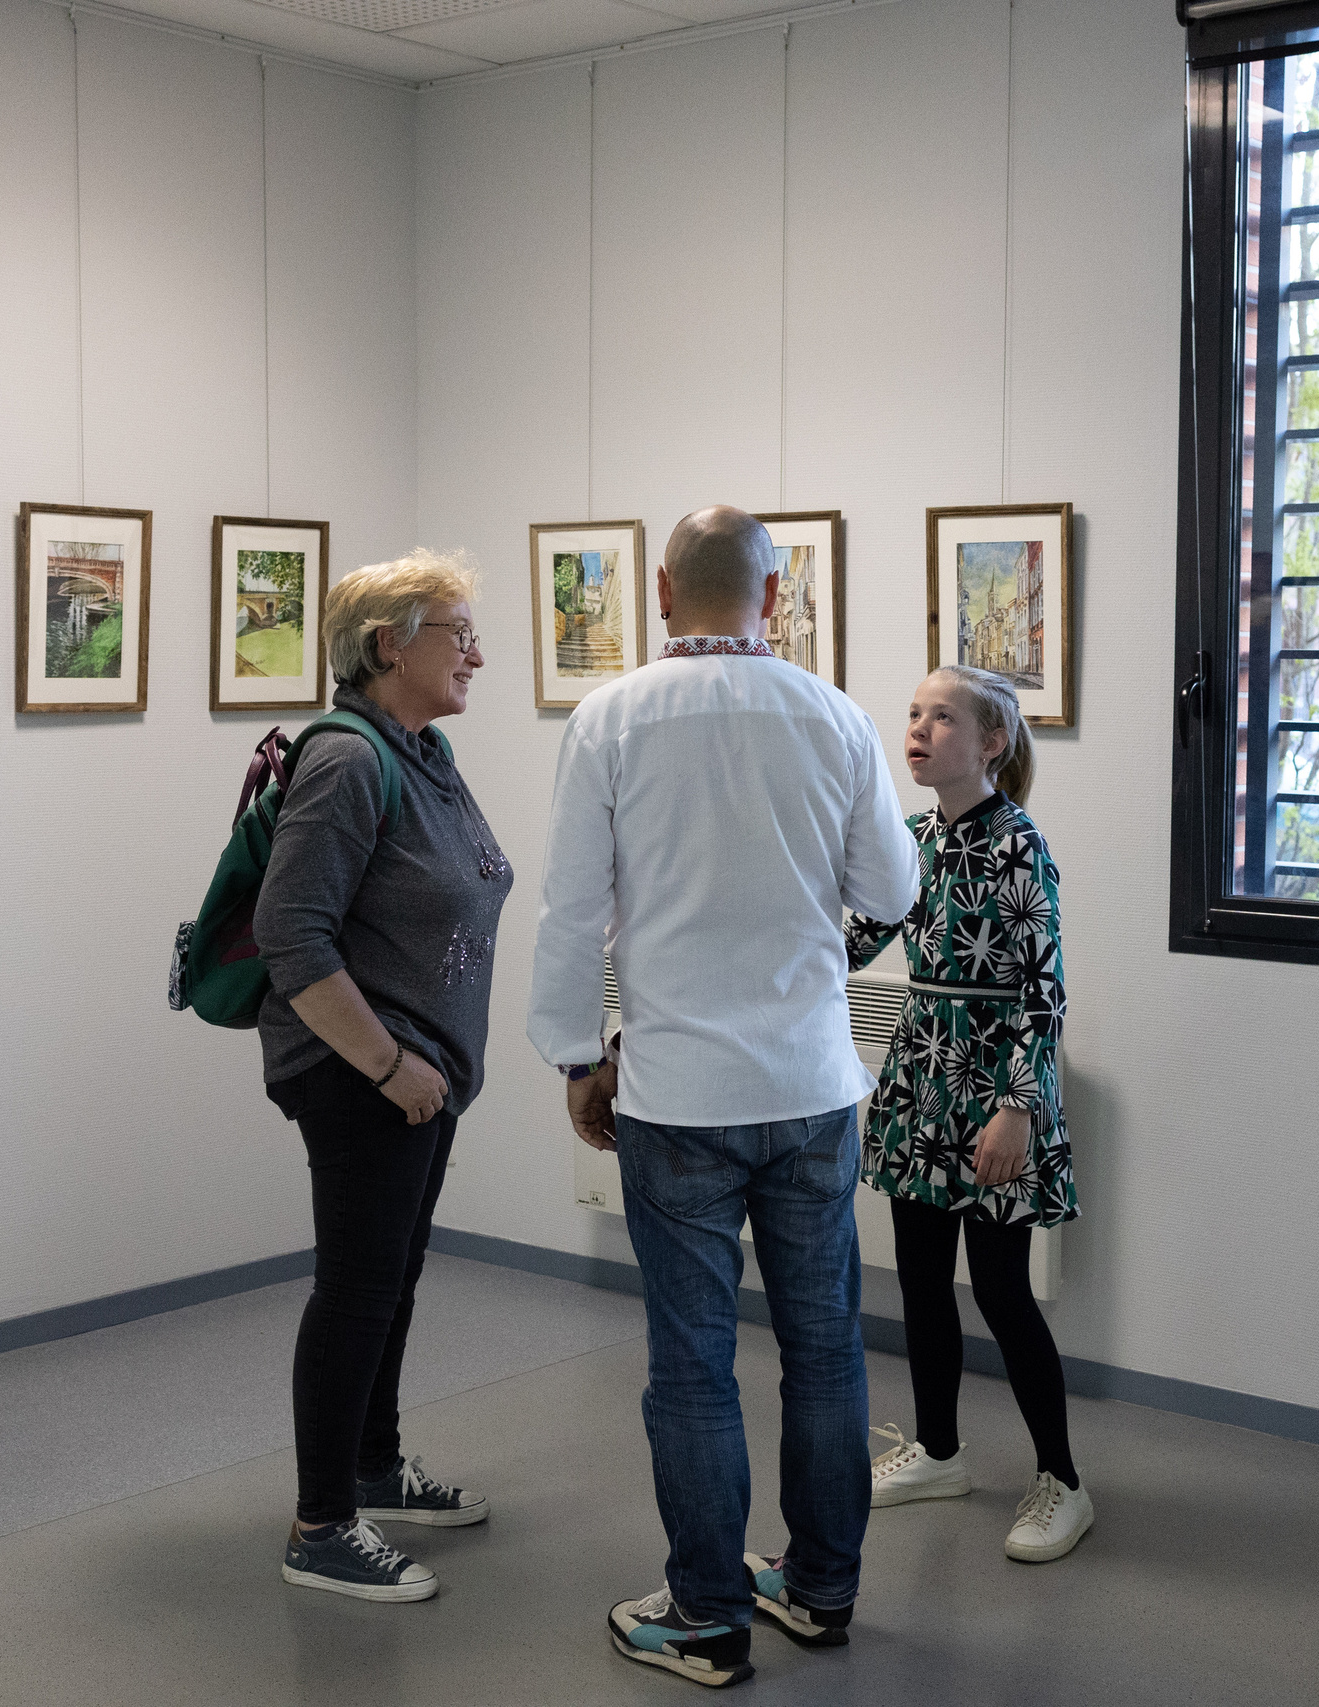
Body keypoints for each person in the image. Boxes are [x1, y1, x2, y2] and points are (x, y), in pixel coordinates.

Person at [531, 506, 919, 1688]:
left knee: (692, 1362)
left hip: (678, 1091)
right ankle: (819, 1590)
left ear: (660, 588)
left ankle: (705, 1616)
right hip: (809, 1084)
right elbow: (892, 885)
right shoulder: (834, 713)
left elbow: (568, 910)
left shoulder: (610, 717)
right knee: (826, 1350)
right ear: (775, 593)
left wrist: (573, 1057)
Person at [256, 548, 513, 1603]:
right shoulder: (349, 762)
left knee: (391, 1281)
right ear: (386, 645)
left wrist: (427, 1069)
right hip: (363, 1073)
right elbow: (291, 932)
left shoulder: (424, 751)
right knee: (356, 1293)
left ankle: (373, 1462)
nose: (479, 656)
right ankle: (321, 1525)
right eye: (459, 633)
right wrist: (389, 1063)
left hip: (423, 1074)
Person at [845, 666, 1089, 1562]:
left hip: (995, 1087)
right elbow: (854, 936)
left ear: (990, 742)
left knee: (998, 1288)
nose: (918, 728)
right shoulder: (909, 840)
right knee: (917, 1277)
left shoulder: (1019, 843)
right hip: (922, 1075)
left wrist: (1019, 1108)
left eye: (941, 716)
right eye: (912, 713)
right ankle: (941, 1452)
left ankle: (1062, 1479)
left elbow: (1044, 987)